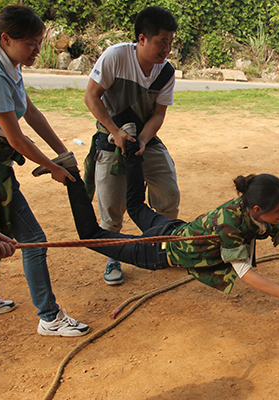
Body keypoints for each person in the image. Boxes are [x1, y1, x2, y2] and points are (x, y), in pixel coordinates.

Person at [61, 144, 279, 326]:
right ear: (256, 209)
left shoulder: (257, 210)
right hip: (158, 250)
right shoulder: (232, 225)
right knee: (91, 235)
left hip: (173, 229)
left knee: (137, 205)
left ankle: (131, 146)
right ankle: (72, 175)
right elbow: (246, 274)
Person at [0, 6, 89, 336]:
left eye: (39, 42)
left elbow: (31, 113)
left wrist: (62, 152)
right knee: (33, 240)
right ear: (6, 39)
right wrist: (52, 168)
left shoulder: (9, 66)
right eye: (31, 43)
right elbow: (17, 139)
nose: (36, 50)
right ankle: (49, 317)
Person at [83, 6, 180, 286]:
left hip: (145, 137)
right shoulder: (115, 56)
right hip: (112, 138)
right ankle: (114, 256)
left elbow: (159, 114)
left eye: (171, 43)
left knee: (168, 192)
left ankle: (161, 247)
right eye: (162, 43)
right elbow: (91, 97)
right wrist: (115, 132)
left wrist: (145, 140)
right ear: (142, 39)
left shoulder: (166, 71)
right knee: (112, 207)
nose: (167, 50)